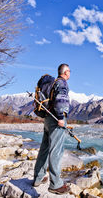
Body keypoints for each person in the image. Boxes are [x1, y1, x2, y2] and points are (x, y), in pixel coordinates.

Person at [33, 63, 71, 194]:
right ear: (65, 72)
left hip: (48, 119)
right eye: (69, 71)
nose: (70, 74)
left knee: (44, 148)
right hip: (56, 119)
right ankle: (55, 185)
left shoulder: (53, 83)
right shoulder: (62, 83)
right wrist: (61, 117)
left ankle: (38, 178)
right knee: (56, 151)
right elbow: (60, 100)